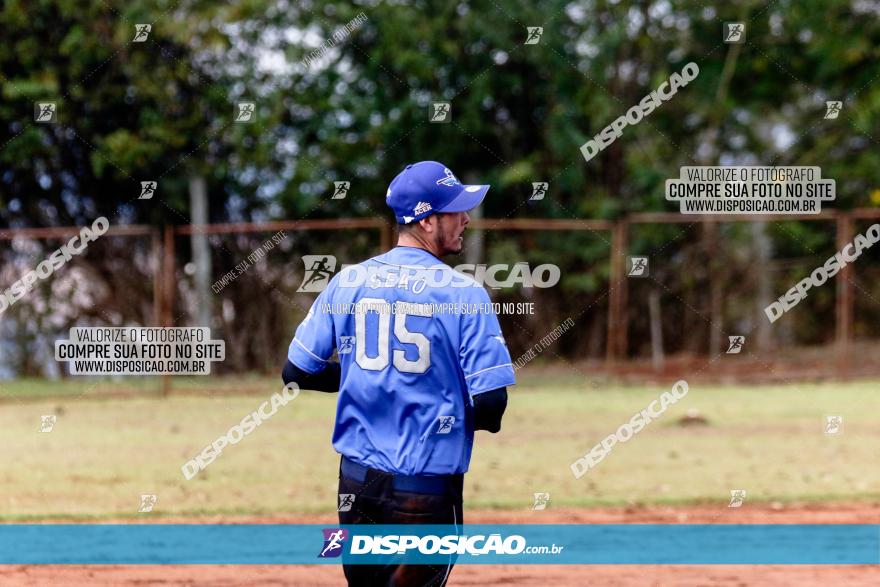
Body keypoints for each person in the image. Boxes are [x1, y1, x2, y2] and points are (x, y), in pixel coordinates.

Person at [282, 160, 515, 586]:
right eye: (455, 211)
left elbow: (297, 371)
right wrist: (435, 392)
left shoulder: (348, 281)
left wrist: (367, 377)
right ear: (426, 221)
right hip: (425, 488)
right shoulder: (465, 294)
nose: (466, 220)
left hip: (356, 485)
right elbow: (491, 407)